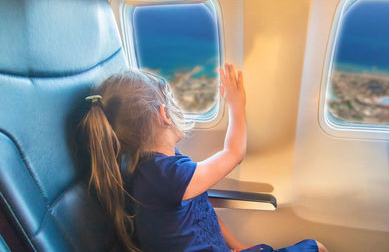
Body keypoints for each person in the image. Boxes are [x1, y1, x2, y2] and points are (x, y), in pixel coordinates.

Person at [78, 64, 328, 252]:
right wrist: (236, 105)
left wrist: (238, 245)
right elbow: (234, 153)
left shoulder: (164, 167)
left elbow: (202, 211)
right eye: (172, 101)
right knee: (317, 247)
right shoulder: (165, 177)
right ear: (164, 115)